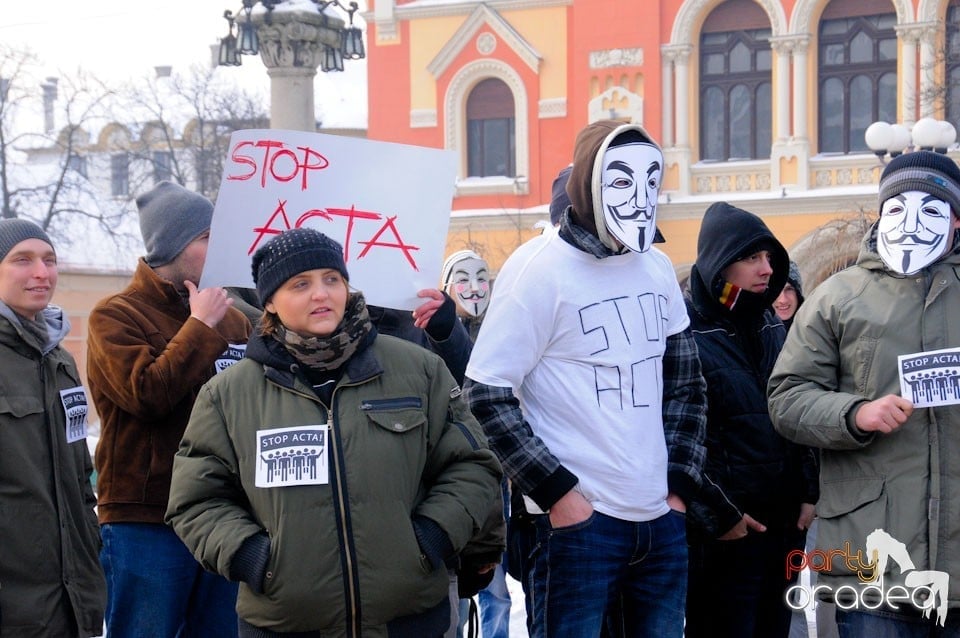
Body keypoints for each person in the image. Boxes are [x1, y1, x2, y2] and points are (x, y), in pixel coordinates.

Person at [164, 227, 503, 637]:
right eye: (300, 284)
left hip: (407, 619)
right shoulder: (229, 395)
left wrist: (430, 539)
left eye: (332, 279)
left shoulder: (418, 370)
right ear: (269, 300)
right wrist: (254, 558)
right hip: (286, 623)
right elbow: (196, 499)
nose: (321, 294)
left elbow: (471, 466)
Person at [464, 119, 707, 638]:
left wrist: (678, 491)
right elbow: (485, 394)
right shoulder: (538, 270)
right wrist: (559, 495)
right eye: (621, 181)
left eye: (650, 182)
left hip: (659, 523)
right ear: (588, 185)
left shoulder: (658, 267)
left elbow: (687, 385)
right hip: (579, 529)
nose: (640, 198)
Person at [768, 150, 960, 636]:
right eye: (897, 208)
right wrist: (855, 414)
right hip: (873, 560)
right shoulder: (838, 296)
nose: (912, 224)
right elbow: (787, 396)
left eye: (932, 210)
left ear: (956, 221)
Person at [86, 181, 251, 637]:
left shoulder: (235, 317)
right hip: (146, 519)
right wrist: (200, 326)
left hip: (222, 514)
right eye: (206, 237)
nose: (220, 248)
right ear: (171, 247)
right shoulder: (114, 315)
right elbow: (146, 395)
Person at [683, 202, 818, 638]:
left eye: (769, 258)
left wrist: (808, 491)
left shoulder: (770, 323)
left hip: (782, 530)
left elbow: (795, 408)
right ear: (720, 262)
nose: (766, 269)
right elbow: (681, 435)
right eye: (751, 257)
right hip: (724, 535)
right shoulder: (685, 330)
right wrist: (719, 515)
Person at [0, 219, 106, 637]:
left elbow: (80, 475)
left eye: (49, 260)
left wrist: (89, 554)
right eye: (21, 260)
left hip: (70, 598)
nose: (41, 272)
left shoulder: (59, 360)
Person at [440, 249, 510, 638]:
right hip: (454, 469)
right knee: (459, 583)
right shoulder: (432, 335)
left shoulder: (500, 329)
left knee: (493, 576)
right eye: (462, 279)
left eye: (481, 278)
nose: (474, 287)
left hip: (496, 467)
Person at [772, 260, 804, 330]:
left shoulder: (816, 328)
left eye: (789, 289)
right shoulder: (749, 335)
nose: (783, 300)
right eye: (775, 291)